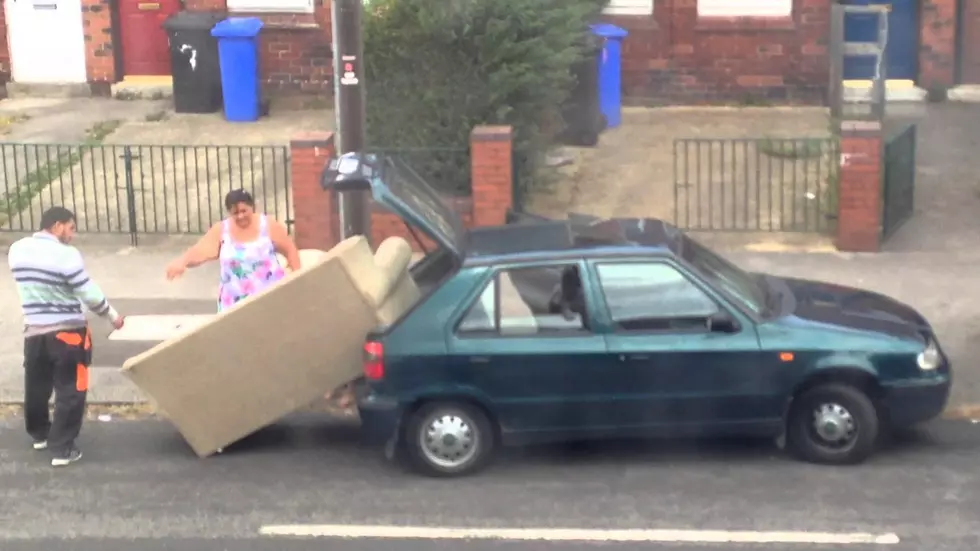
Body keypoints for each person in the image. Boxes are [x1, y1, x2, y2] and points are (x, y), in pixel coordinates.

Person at [7, 206, 125, 467]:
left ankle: (40, 434)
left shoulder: (17, 249)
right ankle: (62, 448)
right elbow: (88, 293)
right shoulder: (66, 255)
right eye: (71, 228)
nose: (72, 235)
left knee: (36, 386)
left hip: (34, 332)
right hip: (68, 333)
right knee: (71, 389)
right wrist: (113, 316)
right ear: (57, 225)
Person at [165, 189, 301, 311]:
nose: (240, 216)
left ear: (252, 207)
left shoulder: (268, 225)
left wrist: (298, 280)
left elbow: (290, 249)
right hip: (234, 303)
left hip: (269, 298)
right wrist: (182, 262)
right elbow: (201, 250)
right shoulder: (222, 230)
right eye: (235, 213)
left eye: (244, 211)